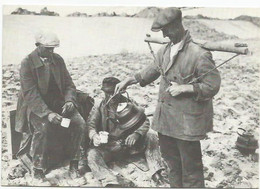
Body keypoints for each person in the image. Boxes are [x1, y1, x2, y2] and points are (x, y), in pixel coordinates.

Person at [114, 7, 221, 188]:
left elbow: (212, 85)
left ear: (177, 25)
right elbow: (149, 72)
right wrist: (128, 80)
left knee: (191, 169)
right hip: (166, 121)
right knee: (172, 165)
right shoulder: (165, 50)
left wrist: (186, 88)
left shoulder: (199, 54)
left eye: (166, 30)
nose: (164, 34)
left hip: (187, 124)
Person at [15, 31, 86, 181]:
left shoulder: (57, 60)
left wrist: (69, 101)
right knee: (43, 128)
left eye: (53, 49)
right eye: (48, 48)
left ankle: (74, 163)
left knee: (79, 123)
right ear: (38, 46)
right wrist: (47, 113)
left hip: (58, 103)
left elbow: (69, 84)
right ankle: (38, 169)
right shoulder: (27, 63)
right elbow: (30, 93)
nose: (51, 52)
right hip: (36, 107)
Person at [86, 77, 165, 187]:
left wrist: (137, 134)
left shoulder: (129, 103)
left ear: (120, 90)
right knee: (92, 154)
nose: (110, 96)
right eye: (107, 93)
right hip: (110, 147)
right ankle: (109, 180)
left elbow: (145, 121)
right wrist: (94, 136)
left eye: (113, 93)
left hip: (130, 145)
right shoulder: (99, 106)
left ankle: (156, 171)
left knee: (151, 136)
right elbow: (91, 125)